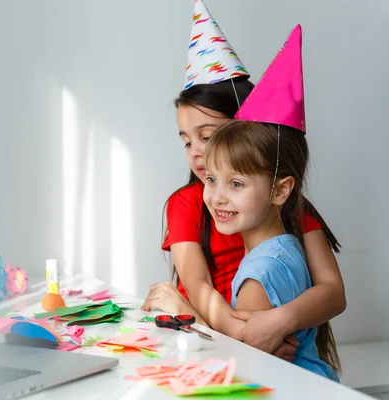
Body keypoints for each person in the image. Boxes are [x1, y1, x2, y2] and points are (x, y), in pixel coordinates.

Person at [142, 1, 345, 362]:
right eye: (186, 140)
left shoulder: (287, 204)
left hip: (256, 353)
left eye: (209, 135)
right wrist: (243, 335)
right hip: (209, 343)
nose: (197, 151)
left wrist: (277, 323)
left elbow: (332, 292)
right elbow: (197, 286)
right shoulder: (189, 202)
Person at [197, 25, 340, 381]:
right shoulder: (287, 247)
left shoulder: (258, 275)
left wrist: (179, 308)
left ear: (280, 190)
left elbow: (243, 368)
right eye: (211, 179)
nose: (217, 196)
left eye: (236, 183)